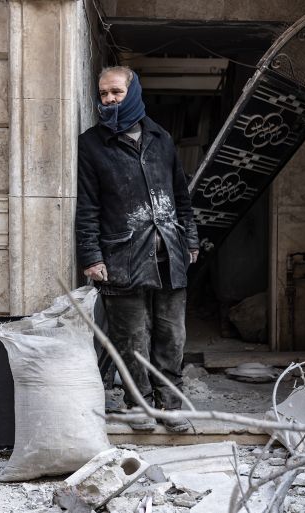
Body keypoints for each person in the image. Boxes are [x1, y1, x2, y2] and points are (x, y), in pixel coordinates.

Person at [75, 66, 199, 432]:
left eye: (116, 92)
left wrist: (190, 238)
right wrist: (91, 255)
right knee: (132, 338)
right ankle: (139, 405)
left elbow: (180, 196)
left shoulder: (161, 138)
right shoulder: (92, 144)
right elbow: (88, 205)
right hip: (121, 255)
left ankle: (171, 405)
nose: (109, 100)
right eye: (104, 94)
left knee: (171, 335)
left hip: (169, 254)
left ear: (133, 92)